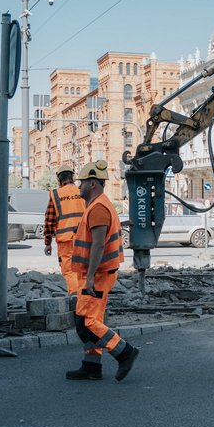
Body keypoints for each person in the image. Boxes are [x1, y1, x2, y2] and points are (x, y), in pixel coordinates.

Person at [65, 160, 140, 382]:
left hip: (96, 277)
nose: (79, 187)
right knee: (90, 320)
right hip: (97, 274)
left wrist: (88, 277)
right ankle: (91, 366)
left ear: (93, 184)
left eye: (82, 183)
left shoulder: (98, 208)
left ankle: (125, 352)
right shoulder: (99, 205)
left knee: (85, 323)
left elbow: (98, 245)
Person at [43, 164, 85, 295]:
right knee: (84, 269)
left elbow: (49, 220)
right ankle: (86, 298)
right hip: (84, 238)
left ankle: (76, 299)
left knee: (69, 271)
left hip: (65, 240)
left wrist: (48, 243)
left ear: (59, 179)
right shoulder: (82, 192)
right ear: (72, 177)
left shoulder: (56, 194)